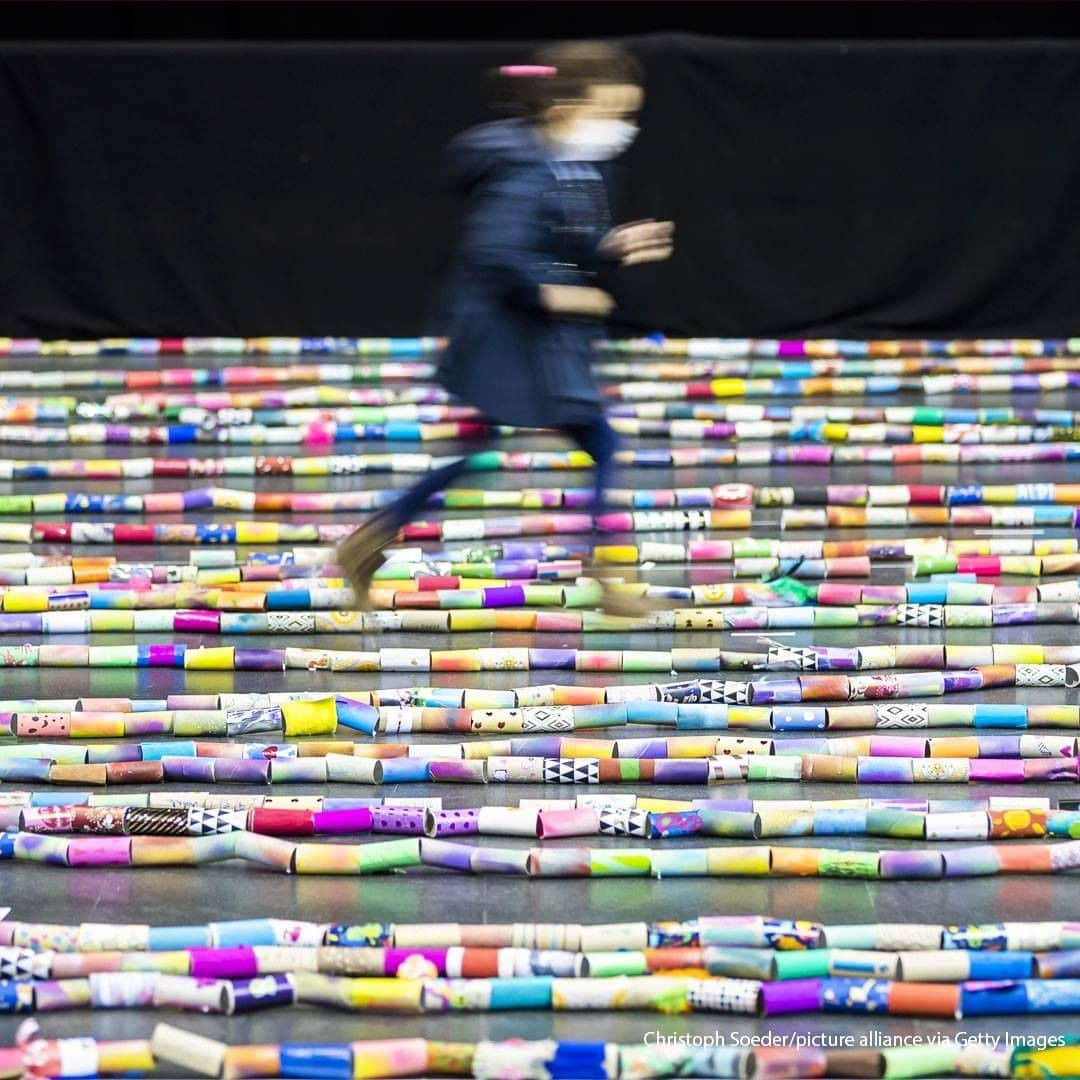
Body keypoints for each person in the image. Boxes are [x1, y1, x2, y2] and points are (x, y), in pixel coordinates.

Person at [338, 41, 674, 614]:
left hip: (535, 339)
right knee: (585, 440)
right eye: (614, 114)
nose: (622, 129)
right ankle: (599, 570)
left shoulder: (580, 167)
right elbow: (494, 249)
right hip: (509, 338)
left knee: (488, 447)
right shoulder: (525, 168)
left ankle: (370, 540)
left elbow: (565, 240)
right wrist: (553, 291)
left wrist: (610, 247)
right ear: (569, 111)